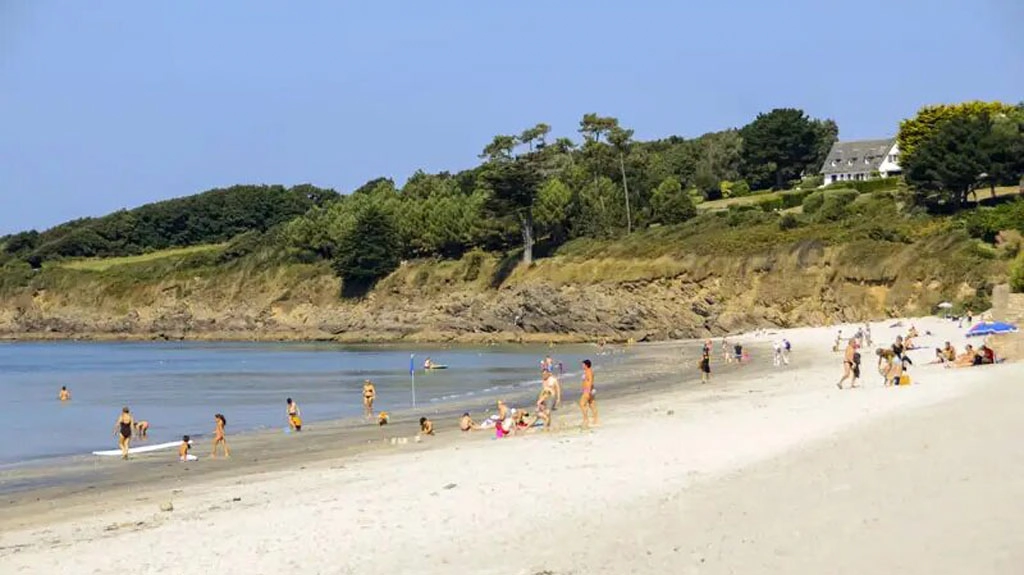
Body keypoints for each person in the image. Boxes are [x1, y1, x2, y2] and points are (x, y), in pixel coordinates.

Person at [579, 359, 598, 427]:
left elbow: (590, 381)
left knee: (582, 404)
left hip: (588, 390)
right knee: (591, 405)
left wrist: (588, 391)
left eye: (583, 364)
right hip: (588, 390)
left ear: (586, 365)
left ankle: (586, 419)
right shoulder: (586, 371)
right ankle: (595, 420)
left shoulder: (589, 371)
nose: (582, 365)